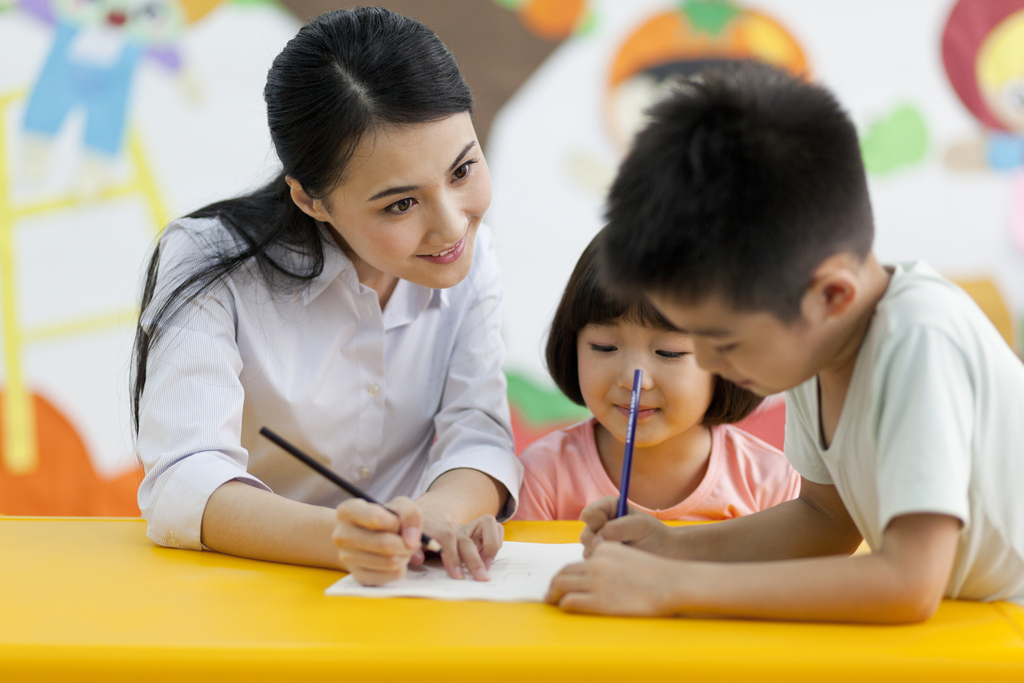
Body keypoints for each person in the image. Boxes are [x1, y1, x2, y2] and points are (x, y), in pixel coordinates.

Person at [546, 62, 1024, 621]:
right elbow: (825, 521)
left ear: (831, 296)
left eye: (723, 340)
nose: (703, 359)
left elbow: (907, 583)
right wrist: (674, 547)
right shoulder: (815, 342)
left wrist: (673, 587)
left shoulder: (919, 338)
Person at [132, 7, 522, 586]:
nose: (451, 226)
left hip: (405, 594)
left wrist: (431, 521)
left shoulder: (472, 254)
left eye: (462, 170)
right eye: (400, 204)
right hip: (248, 594)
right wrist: (340, 539)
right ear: (311, 200)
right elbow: (184, 478)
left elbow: (478, 431)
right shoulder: (208, 263)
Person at [513, 235, 799, 522]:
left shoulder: (772, 485)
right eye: (604, 347)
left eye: (669, 352)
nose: (632, 379)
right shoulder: (544, 476)